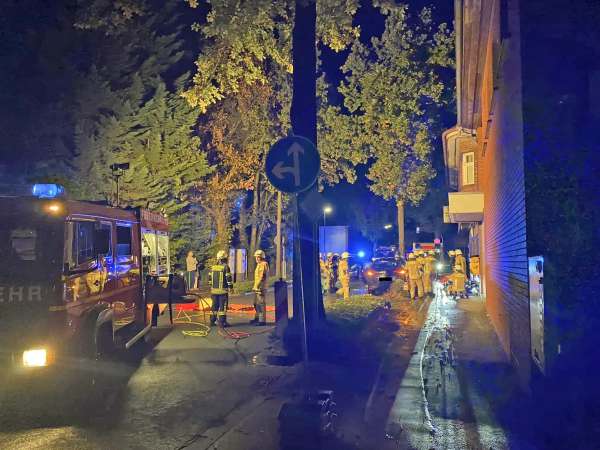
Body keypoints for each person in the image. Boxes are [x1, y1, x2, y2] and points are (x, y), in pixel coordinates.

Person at [208, 250, 233, 327]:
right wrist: (231, 287)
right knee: (223, 307)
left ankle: (212, 321)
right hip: (223, 291)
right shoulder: (226, 267)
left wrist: (211, 287)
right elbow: (228, 278)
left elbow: (210, 279)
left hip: (214, 291)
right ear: (225, 258)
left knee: (214, 306)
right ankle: (222, 322)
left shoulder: (213, 267)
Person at [252, 249, 270, 326]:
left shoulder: (263, 264)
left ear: (261, 257)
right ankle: (257, 318)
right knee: (256, 303)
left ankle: (262, 321)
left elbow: (261, 277)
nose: (256, 258)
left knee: (261, 304)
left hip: (261, 288)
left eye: (257, 257)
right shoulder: (259, 264)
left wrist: (257, 286)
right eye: (256, 257)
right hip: (257, 287)